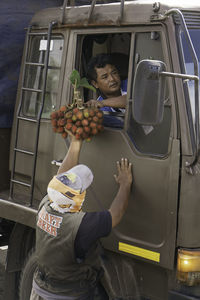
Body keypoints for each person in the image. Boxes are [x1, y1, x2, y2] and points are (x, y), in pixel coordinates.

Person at [30, 132, 133, 300]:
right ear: (77, 199)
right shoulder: (80, 226)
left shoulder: (46, 205)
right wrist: (125, 185)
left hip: (40, 289)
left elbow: (59, 179)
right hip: (67, 295)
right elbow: (115, 215)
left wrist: (75, 143)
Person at [86, 53, 127, 128]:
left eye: (114, 73)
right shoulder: (101, 110)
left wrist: (103, 103)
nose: (112, 79)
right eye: (105, 77)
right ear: (95, 84)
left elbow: (132, 100)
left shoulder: (130, 84)